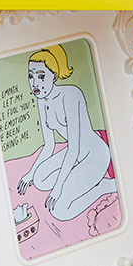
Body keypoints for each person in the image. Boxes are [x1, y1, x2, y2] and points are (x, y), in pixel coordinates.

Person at [16, 45, 113, 221]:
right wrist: (30, 173)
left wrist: (59, 187)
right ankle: (76, 177)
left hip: (94, 154)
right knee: (39, 180)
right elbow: (49, 145)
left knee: (59, 210)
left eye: (41, 76)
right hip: (72, 155)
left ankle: (103, 187)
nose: (35, 83)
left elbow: (74, 148)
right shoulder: (41, 100)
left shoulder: (71, 94)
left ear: (53, 75)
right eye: (31, 76)